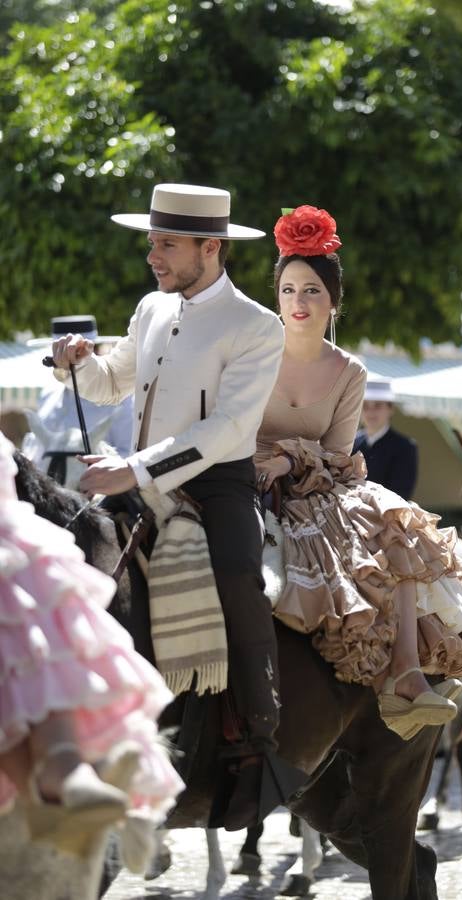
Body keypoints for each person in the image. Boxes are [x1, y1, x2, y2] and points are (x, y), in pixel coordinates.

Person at [49, 183, 294, 830]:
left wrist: (134, 469)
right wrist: (76, 364)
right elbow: (110, 384)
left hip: (219, 486)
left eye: (167, 245)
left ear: (210, 248)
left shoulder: (257, 326)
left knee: (241, 578)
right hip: (137, 478)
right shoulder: (151, 307)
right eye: (153, 242)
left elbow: (224, 431)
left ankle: (258, 737)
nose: (153, 256)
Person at [255, 205, 462, 741]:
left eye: (313, 290)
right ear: (276, 296)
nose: (299, 301)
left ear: (333, 300)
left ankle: (407, 672)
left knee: (398, 520)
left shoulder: (350, 371)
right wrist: (262, 461)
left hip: (316, 484)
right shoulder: (250, 353)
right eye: (290, 289)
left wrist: (289, 457)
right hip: (246, 477)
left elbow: (339, 453)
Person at [0, 431, 183, 862]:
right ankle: (59, 771)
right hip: (87, 473)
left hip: (168, 472)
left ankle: (250, 728)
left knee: (239, 577)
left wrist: (134, 468)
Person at [23, 316, 134, 482]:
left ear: (92, 352)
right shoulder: (48, 395)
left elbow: (128, 453)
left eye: (76, 354)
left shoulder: (121, 397)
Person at [353, 379, 419, 498]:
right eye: (365, 406)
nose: (371, 412)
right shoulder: (352, 443)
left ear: (390, 409)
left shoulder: (405, 447)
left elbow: (401, 493)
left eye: (378, 405)